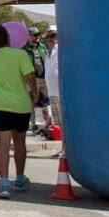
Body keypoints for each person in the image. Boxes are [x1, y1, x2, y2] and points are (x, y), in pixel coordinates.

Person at [0, 23, 38, 199]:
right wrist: (35, 93)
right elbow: (29, 76)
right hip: (20, 104)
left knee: (2, 144)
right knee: (20, 142)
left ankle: (4, 183)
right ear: (8, 37)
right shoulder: (21, 54)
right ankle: (20, 178)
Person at [23, 27, 51, 135]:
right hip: (31, 78)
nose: (37, 37)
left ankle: (47, 123)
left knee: (46, 101)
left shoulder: (42, 47)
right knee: (31, 101)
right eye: (35, 35)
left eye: (38, 35)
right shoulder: (24, 50)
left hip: (43, 78)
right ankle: (33, 124)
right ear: (29, 36)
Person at [44, 25, 64, 158]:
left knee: (65, 123)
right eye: (49, 36)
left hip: (61, 92)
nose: (51, 39)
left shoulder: (61, 50)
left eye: (54, 35)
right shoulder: (48, 54)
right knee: (60, 123)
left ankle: (65, 149)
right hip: (52, 92)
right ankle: (64, 148)